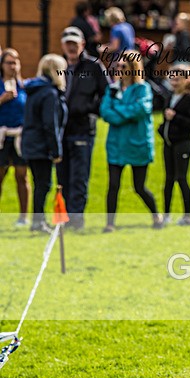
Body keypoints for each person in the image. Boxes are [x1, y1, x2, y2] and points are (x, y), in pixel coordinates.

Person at [100, 55, 163, 233]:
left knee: (139, 187)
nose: (119, 69)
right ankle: (110, 224)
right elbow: (105, 112)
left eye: (123, 66)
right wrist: (125, 114)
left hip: (137, 143)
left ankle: (156, 215)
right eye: (118, 66)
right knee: (113, 185)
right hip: (116, 144)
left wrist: (118, 111)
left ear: (133, 68)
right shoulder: (112, 89)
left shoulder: (143, 89)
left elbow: (141, 110)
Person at [56, 26, 109, 232]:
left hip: (83, 129)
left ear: (82, 45)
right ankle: (63, 219)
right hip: (60, 130)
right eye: (68, 44)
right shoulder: (58, 64)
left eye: (74, 44)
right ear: (63, 45)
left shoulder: (93, 66)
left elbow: (107, 93)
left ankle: (76, 219)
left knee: (79, 177)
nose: (71, 47)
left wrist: (89, 109)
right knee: (62, 177)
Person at [21, 55, 68, 234]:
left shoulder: (35, 90)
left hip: (30, 142)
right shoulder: (49, 93)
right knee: (43, 185)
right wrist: (56, 150)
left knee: (39, 184)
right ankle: (38, 222)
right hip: (41, 145)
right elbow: (50, 124)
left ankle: (38, 220)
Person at [158, 64, 190, 226]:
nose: (174, 83)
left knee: (181, 178)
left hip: (182, 143)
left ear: (186, 80)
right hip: (168, 143)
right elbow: (165, 119)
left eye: (178, 80)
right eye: (172, 79)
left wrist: (175, 117)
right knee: (168, 179)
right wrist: (161, 130)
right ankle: (166, 214)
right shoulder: (169, 97)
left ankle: (187, 215)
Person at [0, 48, 29, 227]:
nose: (12, 66)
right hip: (2, 137)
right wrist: (2, 99)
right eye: (9, 62)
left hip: (19, 136)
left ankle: (23, 217)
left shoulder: (24, 86)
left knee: (22, 176)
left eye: (15, 62)